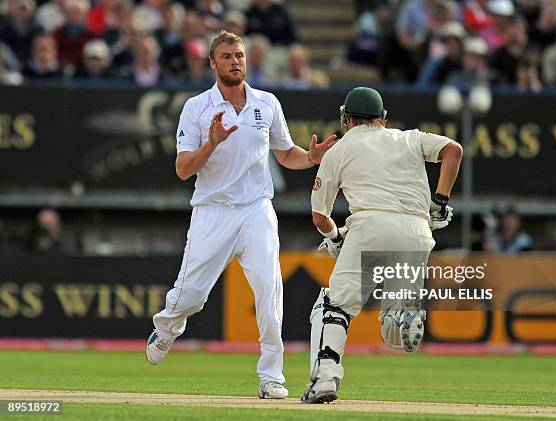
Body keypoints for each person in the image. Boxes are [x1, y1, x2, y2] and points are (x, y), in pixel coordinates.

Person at [145, 30, 337, 400]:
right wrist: (212, 142)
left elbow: (285, 154)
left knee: (269, 288)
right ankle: (167, 328)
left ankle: (271, 376)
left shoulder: (267, 103)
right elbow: (184, 169)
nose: (235, 61)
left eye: (240, 55)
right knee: (192, 297)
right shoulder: (197, 107)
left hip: (256, 209)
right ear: (213, 63)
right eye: (228, 56)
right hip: (212, 210)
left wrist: (311, 158)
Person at [301, 87, 462, 404]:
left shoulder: (339, 150)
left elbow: (320, 216)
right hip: (418, 231)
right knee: (391, 330)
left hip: (370, 227)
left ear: (346, 118)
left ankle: (324, 382)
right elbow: (453, 150)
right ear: (383, 118)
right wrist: (439, 202)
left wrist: (335, 239)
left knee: (334, 307)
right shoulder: (409, 137)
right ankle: (403, 311)